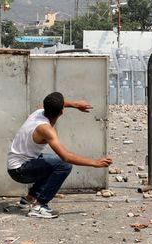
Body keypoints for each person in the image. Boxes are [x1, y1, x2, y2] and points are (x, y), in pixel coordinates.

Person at [7, 91, 112, 219]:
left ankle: (29, 199)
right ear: (62, 111)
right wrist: (95, 163)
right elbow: (66, 157)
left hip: (18, 164)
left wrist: (75, 104)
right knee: (63, 165)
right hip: (20, 171)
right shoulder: (46, 129)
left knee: (50, 162)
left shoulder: (38, 113)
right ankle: (39, 206)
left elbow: (51, 105)